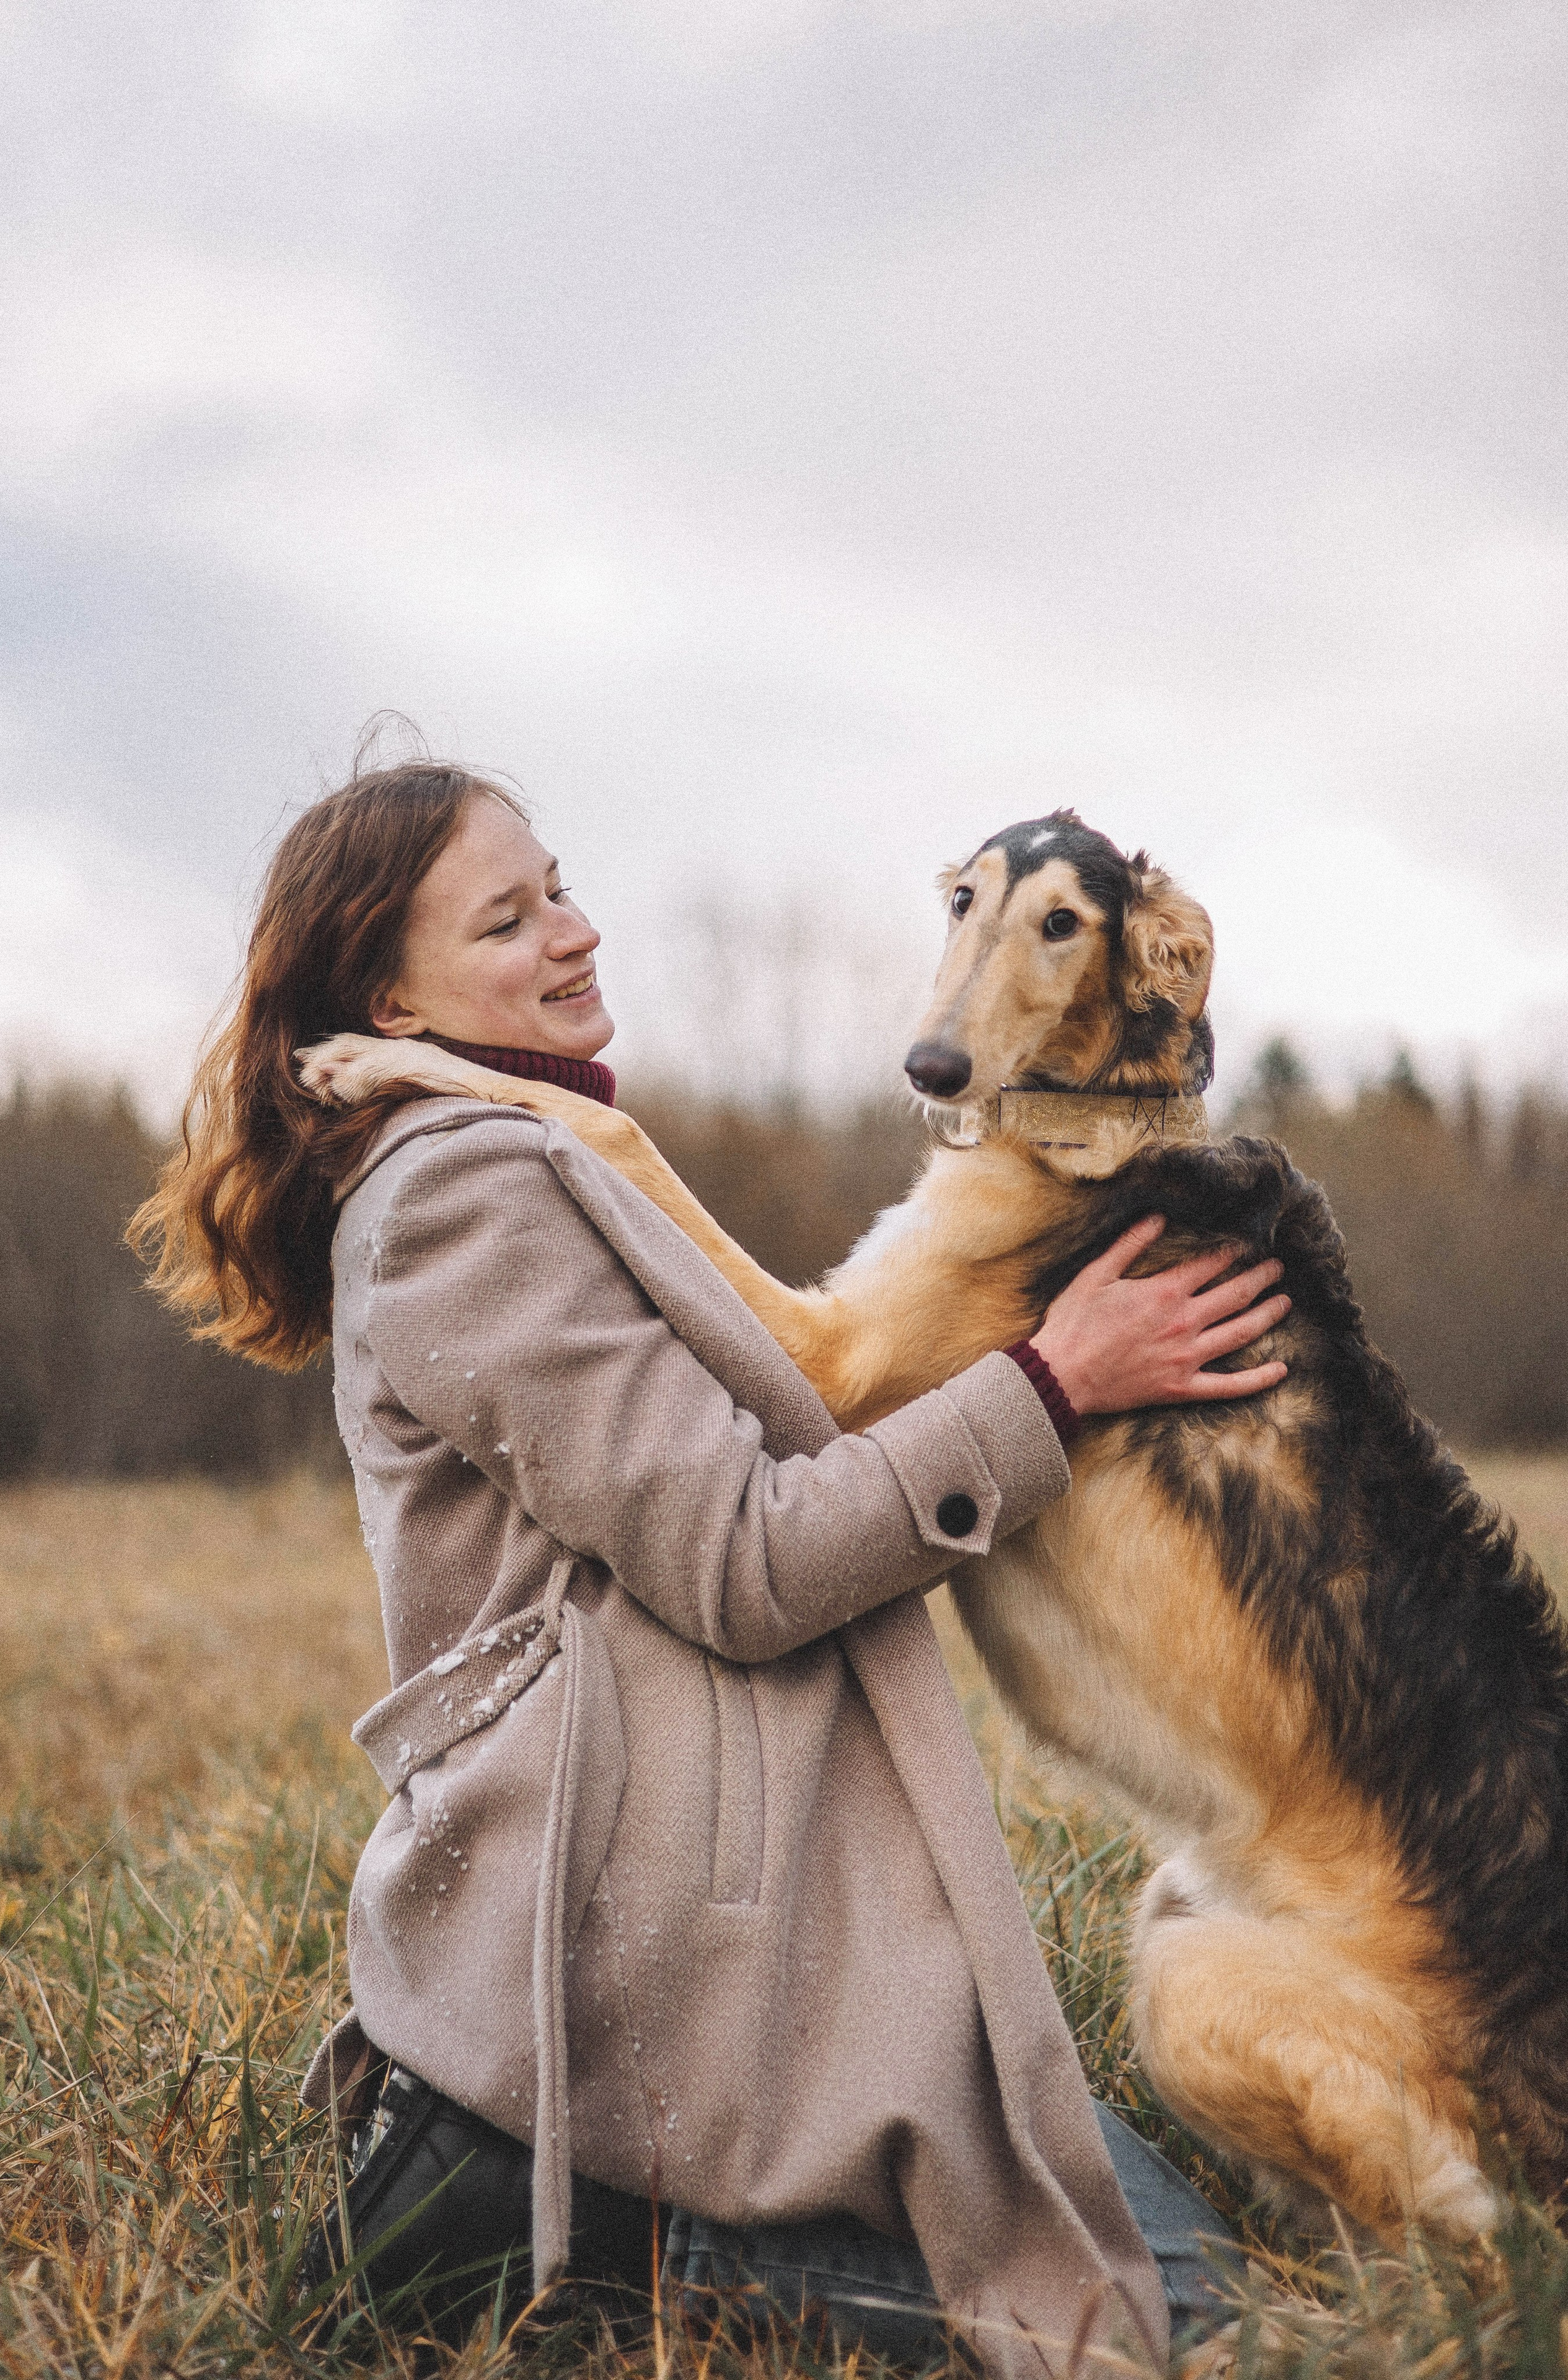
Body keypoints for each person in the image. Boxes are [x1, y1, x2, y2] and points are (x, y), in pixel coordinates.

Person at [133, 758, 1287, 2373]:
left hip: (721, 1901)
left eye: (561, 885)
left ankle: (608, 2179)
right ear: (387, 987)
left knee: (1131, 2215)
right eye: (511, 914)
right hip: (641, 1946)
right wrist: (1055, 1384)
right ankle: (565, 2212)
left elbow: (795, 1409)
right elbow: (749, 1554)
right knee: (1157, 2308)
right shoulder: (461, 1194)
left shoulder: (531, 1152)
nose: (576, 930)